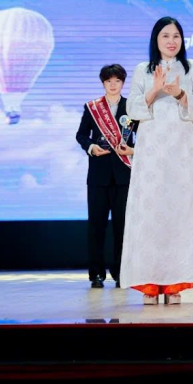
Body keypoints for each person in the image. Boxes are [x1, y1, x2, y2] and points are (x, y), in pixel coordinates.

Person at [120, 17, 193, 304]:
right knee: (149, 212)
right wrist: (155, 90)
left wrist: (180, 93)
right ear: (155, 40)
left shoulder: (192, 68)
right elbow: (132, 109)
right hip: (150, 150)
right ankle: (149, 284)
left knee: (178, 212)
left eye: (176, 36)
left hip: (181, 148)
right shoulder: (142, 70)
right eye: (165, 36)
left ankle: (174, 284)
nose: (171, 41)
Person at [75, 64, 134, 288]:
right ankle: (96, 274)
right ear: (103, 83)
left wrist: (132, 150)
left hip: (123, 175)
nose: (113, 84)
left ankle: (120, 272)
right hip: (98, 175)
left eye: (117, 81)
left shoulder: (132, 107)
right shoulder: (92, 107)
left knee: (122, 226)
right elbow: (81, 135)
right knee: (96, 226)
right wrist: (91, 147)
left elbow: (145, 135)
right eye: (109, 81)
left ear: (122, 83)